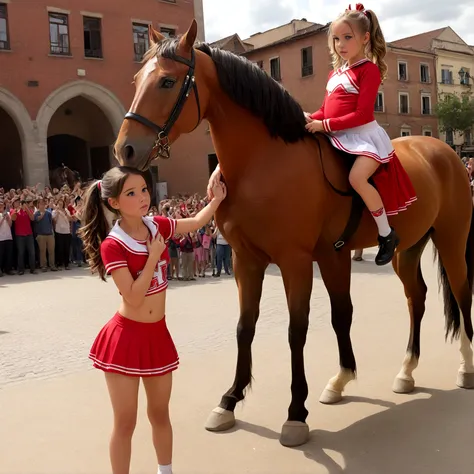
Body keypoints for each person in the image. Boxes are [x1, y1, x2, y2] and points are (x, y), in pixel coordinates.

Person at [208, 4, 417, 266]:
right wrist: (308, 116)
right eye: (337, 39)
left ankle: (386, 233)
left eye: (348, 38)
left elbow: (363, 115)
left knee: (357, 177)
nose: (341, 44)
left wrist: (324, 125)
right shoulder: (336, 73)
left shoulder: (368, 70)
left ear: (365, 38)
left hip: (364, 137)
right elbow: (325, 109)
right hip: (337, 134)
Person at [79, 166, 226, 474]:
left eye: (144, 189)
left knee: (160, 414)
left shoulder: (156, 225)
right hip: (125, 339)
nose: (142, 197)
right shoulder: (113, 244)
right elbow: (132, 296)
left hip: (157, 334)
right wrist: (151, 257)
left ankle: (166, 471)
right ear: (114, 203)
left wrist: (215, 201)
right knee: (126, 422)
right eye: (131, 193)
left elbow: (195, 222)